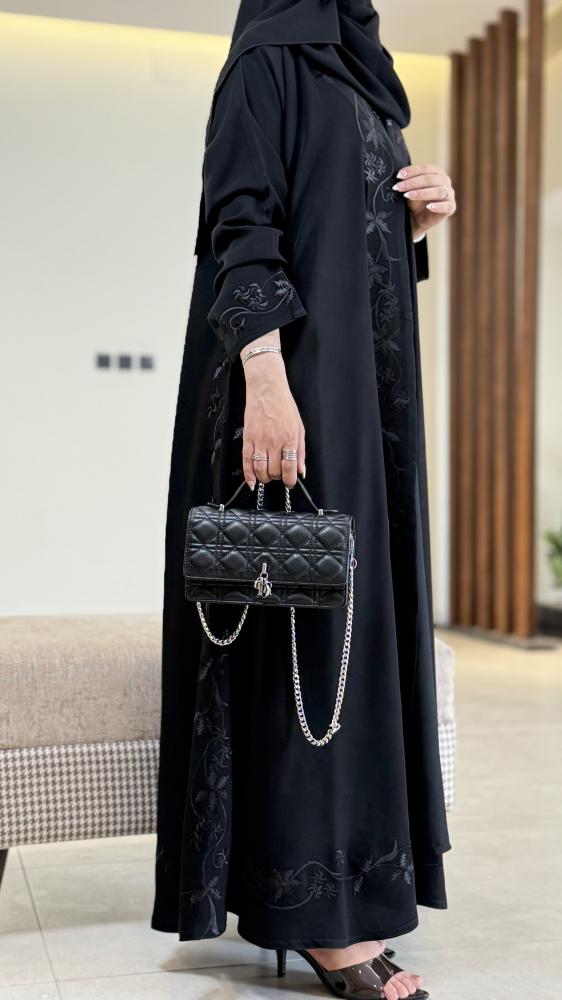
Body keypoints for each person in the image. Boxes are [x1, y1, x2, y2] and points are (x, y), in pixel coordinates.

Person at [151, 1, 456, 997]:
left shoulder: (364, 78)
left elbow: (338, 233)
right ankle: (314, 915)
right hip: (296, 390)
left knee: (351, 634)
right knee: (307, 636)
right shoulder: (267, 62)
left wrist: (414, 221)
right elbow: (242, 224)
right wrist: (266, 382)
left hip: (365, 402)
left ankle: (350, 894)